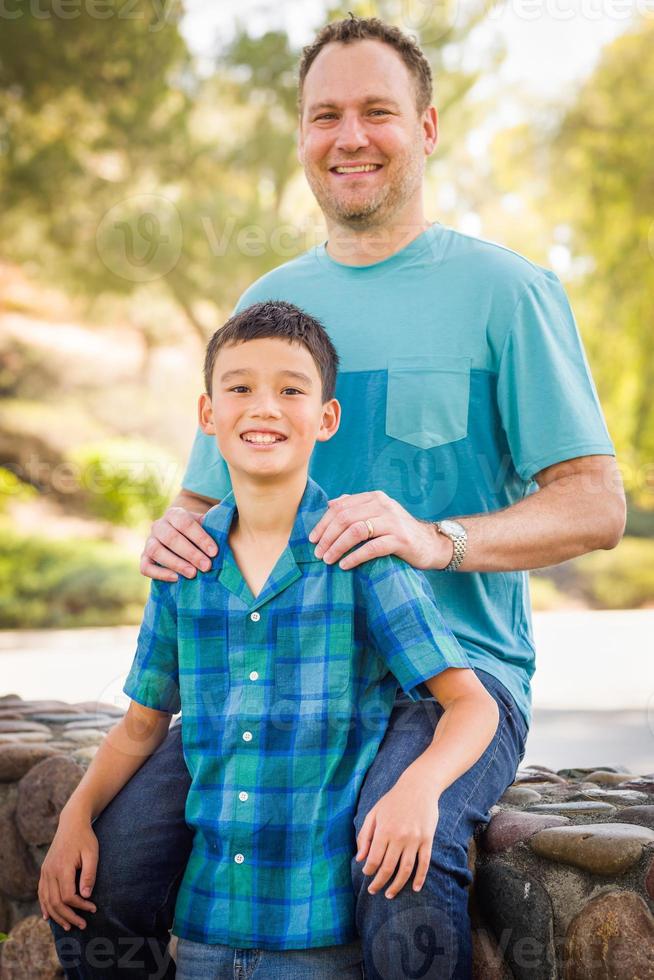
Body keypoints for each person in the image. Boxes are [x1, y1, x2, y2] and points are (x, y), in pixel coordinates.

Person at [47, 14, 625, 980]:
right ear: (303, 136)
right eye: (325, 115)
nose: (349, 137)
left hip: (445, 685)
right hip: (270, 669)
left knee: (404, 880)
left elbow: (597, 505)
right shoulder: (272, 299)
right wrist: (172, 538)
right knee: (102, 878)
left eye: (376, 112)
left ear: (427, 129)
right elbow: (200, 501)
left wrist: (433, 537)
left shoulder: (506, 292)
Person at [41, 300, 501, 980]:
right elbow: (140, 729)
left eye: (291, 389)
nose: (264, 407)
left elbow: (472, 705)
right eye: (240, 388)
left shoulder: (362, 556)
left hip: (318, 940)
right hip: (204, 935)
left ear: (325, 418)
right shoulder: (184, 567)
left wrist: (418, 787)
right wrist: (73, 818)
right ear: (208, 415)